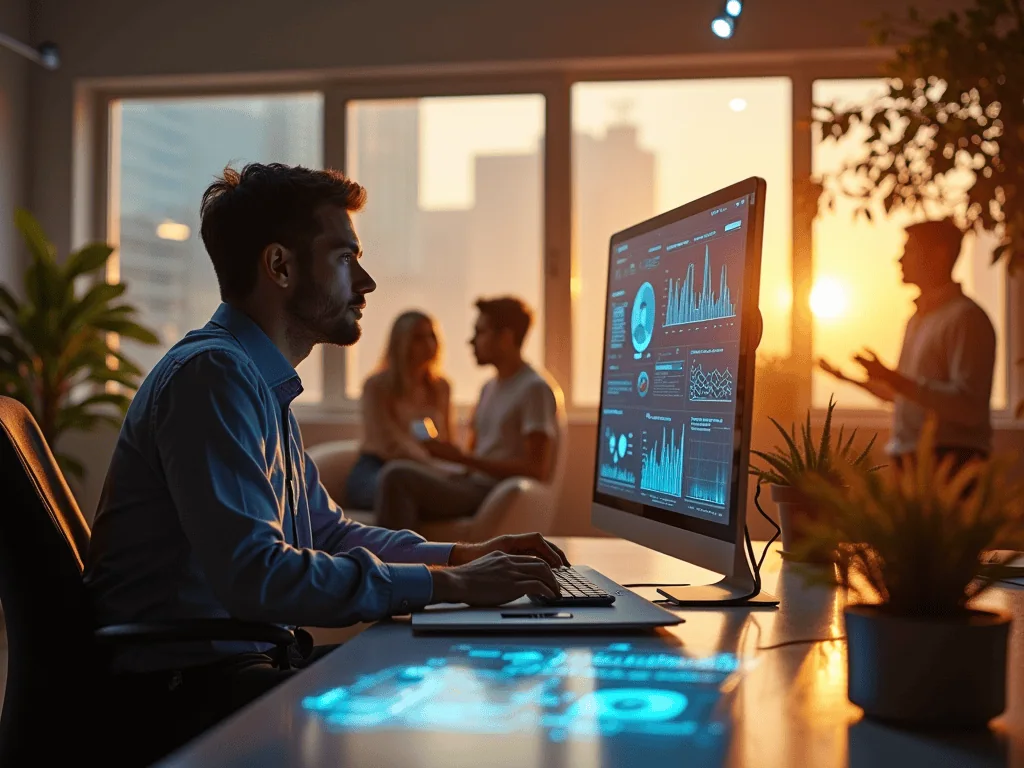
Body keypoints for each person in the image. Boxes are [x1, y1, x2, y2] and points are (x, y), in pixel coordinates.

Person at [84, 163, 567, 764]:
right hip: (181, 697)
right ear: (280, 266)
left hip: (227, 668)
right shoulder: (212, 377)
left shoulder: (255, 382)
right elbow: (257, 576)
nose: (365, 283)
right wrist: (448, 585)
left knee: (449, 683)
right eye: (345, 258)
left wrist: (460, 557)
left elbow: (328, 533)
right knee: (457, 722)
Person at [819, 218, 996, 472]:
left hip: (950, 463)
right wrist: (845, 378)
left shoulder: (966, 319)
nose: (899, 260)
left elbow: (968, 408)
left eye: (909, 250)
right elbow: (905, 395)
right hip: (910, 460)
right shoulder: (917, 320)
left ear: (939, 255)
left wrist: (895, 379)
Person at [375, 296, 561, 532]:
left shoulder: (534, 389)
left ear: (505, 338)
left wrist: (462, 459)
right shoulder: (489, 387)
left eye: (480, 333)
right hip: (469, 481)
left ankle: (389, 565)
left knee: (397, 477)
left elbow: (537, 469)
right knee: (396, 475)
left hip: (491, 492)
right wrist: (449, 458)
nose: (471, 341)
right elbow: (476, 451)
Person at [345, 311, 452, 508]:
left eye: (432, 336)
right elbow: (389, 443)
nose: (428, 344)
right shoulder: (376, 386)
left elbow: (445, 440)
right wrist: (432, 465)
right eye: (419, 338)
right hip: (377, 469)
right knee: (399, 484)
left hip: (425, 470)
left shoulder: (441, 387)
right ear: (401, 343)